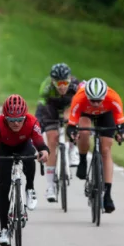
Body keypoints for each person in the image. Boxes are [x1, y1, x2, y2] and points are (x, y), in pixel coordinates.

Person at [0, 94, 49, 246]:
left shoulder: (32, 122)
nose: (16, 123)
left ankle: (30, 188)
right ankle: (4, 229)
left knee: (30, 157)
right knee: (4, 186)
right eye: (11, 120)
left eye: (20, 119)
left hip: (23, 145)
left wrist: (44, 152)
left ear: (25, 117)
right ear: (4, 117)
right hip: (3, 149)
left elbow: (41, 144)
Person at [66, 77, 124, 214]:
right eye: (92, 100)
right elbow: (71, 126)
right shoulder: (79, 98)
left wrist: (121, 134)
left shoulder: (113, 98)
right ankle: (82, 160)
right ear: (86, 95)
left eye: (99, 100)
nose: (95, 103)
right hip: (85, 114)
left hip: (106, 115)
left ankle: (108, 194)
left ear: (104, 96)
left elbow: (121, 125)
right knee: (85, 131)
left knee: (106, 149)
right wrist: (73, 134)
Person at [35, 62, 81, 202]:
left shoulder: (75, 86)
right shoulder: (46, 87)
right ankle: (50, 187)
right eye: (58, 83)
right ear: (53, 81)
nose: (62, 86)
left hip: (69, 105)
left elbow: (80, 104)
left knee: (70, 121)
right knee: (52, 140)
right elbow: (41, 107)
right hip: (51, 108)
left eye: (65, 82)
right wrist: (40, 125)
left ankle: (73, 148)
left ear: (69, 79)